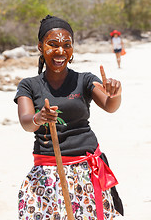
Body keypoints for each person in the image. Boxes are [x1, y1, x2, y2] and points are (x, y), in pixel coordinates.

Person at [14, 15, 124, 220]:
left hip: (86, 168)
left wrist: (115, 94)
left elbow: (110, 106)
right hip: (47, 170)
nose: (60, 51)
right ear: (40, 47)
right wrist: (39, 118)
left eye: (67, 45)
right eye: (52, 44)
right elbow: (26, 121)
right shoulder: (29, 85)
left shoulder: (85, 80)